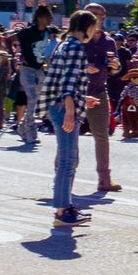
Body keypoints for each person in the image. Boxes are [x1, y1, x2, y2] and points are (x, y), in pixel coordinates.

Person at [37, 13, 93, 228]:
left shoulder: (63, 44)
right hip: (63, 107)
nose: (94, 32)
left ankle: (64, 205)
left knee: (68, 159)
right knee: (68, 160)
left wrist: (81, 99)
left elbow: (61, 79)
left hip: (57, 104)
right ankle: (63, 209)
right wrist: (70, 109)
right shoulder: (76, 47)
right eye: (94, 28)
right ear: (87, 27)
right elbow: (68, 83)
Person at [76, 4, 121, 194]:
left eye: (101, 16)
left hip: (99, 91)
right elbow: (57, 64)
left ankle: (104, 179)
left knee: (102, 136)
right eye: (94, 15)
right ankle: (62, 174)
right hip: (76, 92)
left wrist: (116, 65)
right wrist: (83, 67)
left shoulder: (109, 41)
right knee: (70, 135)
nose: (98, 19)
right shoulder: (75, 40)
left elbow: (115, 70)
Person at [15, 6, 54, 147]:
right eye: (47, 17)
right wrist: (14, 57)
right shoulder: (27, 32)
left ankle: (22, 126)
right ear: (39, 18)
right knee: (32, 98)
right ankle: (31, 132)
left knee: (37, 101)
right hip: (27, 69)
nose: (50, 20)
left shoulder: (48, 32)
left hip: (40, 69)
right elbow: (8, 39)